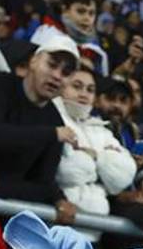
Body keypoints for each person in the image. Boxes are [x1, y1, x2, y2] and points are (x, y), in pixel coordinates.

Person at [0, 33, 80, 217]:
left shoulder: (54, 122)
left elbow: (42, 186)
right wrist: (50, 134)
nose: (57, 76)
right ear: (33, 62)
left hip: (0, 216)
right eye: (51, 65)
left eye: (66, 73)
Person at [52, 66, 135, 216]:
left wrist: (95, 157)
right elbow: (64, 172)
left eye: (90, 90)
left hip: (96, 224)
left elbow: (123, 177)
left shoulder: (100, 128)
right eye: (77, 86)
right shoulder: (51, 117)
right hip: (57, 217)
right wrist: (103, 169)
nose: (84, 94)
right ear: (62, 87)